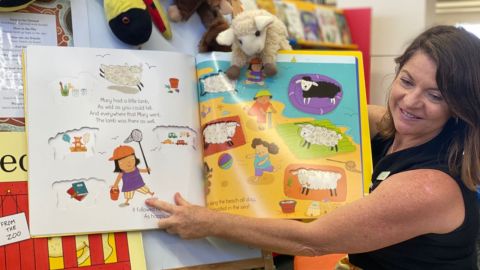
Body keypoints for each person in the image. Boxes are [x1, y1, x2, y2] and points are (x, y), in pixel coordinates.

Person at [145, 25, 480, 269]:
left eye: (435, 95)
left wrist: (206, 222)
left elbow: (314, 240)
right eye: (406, 81)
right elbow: (334, 109)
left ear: (460, 107)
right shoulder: (388, 129)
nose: (410, 101)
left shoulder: (432, 186)